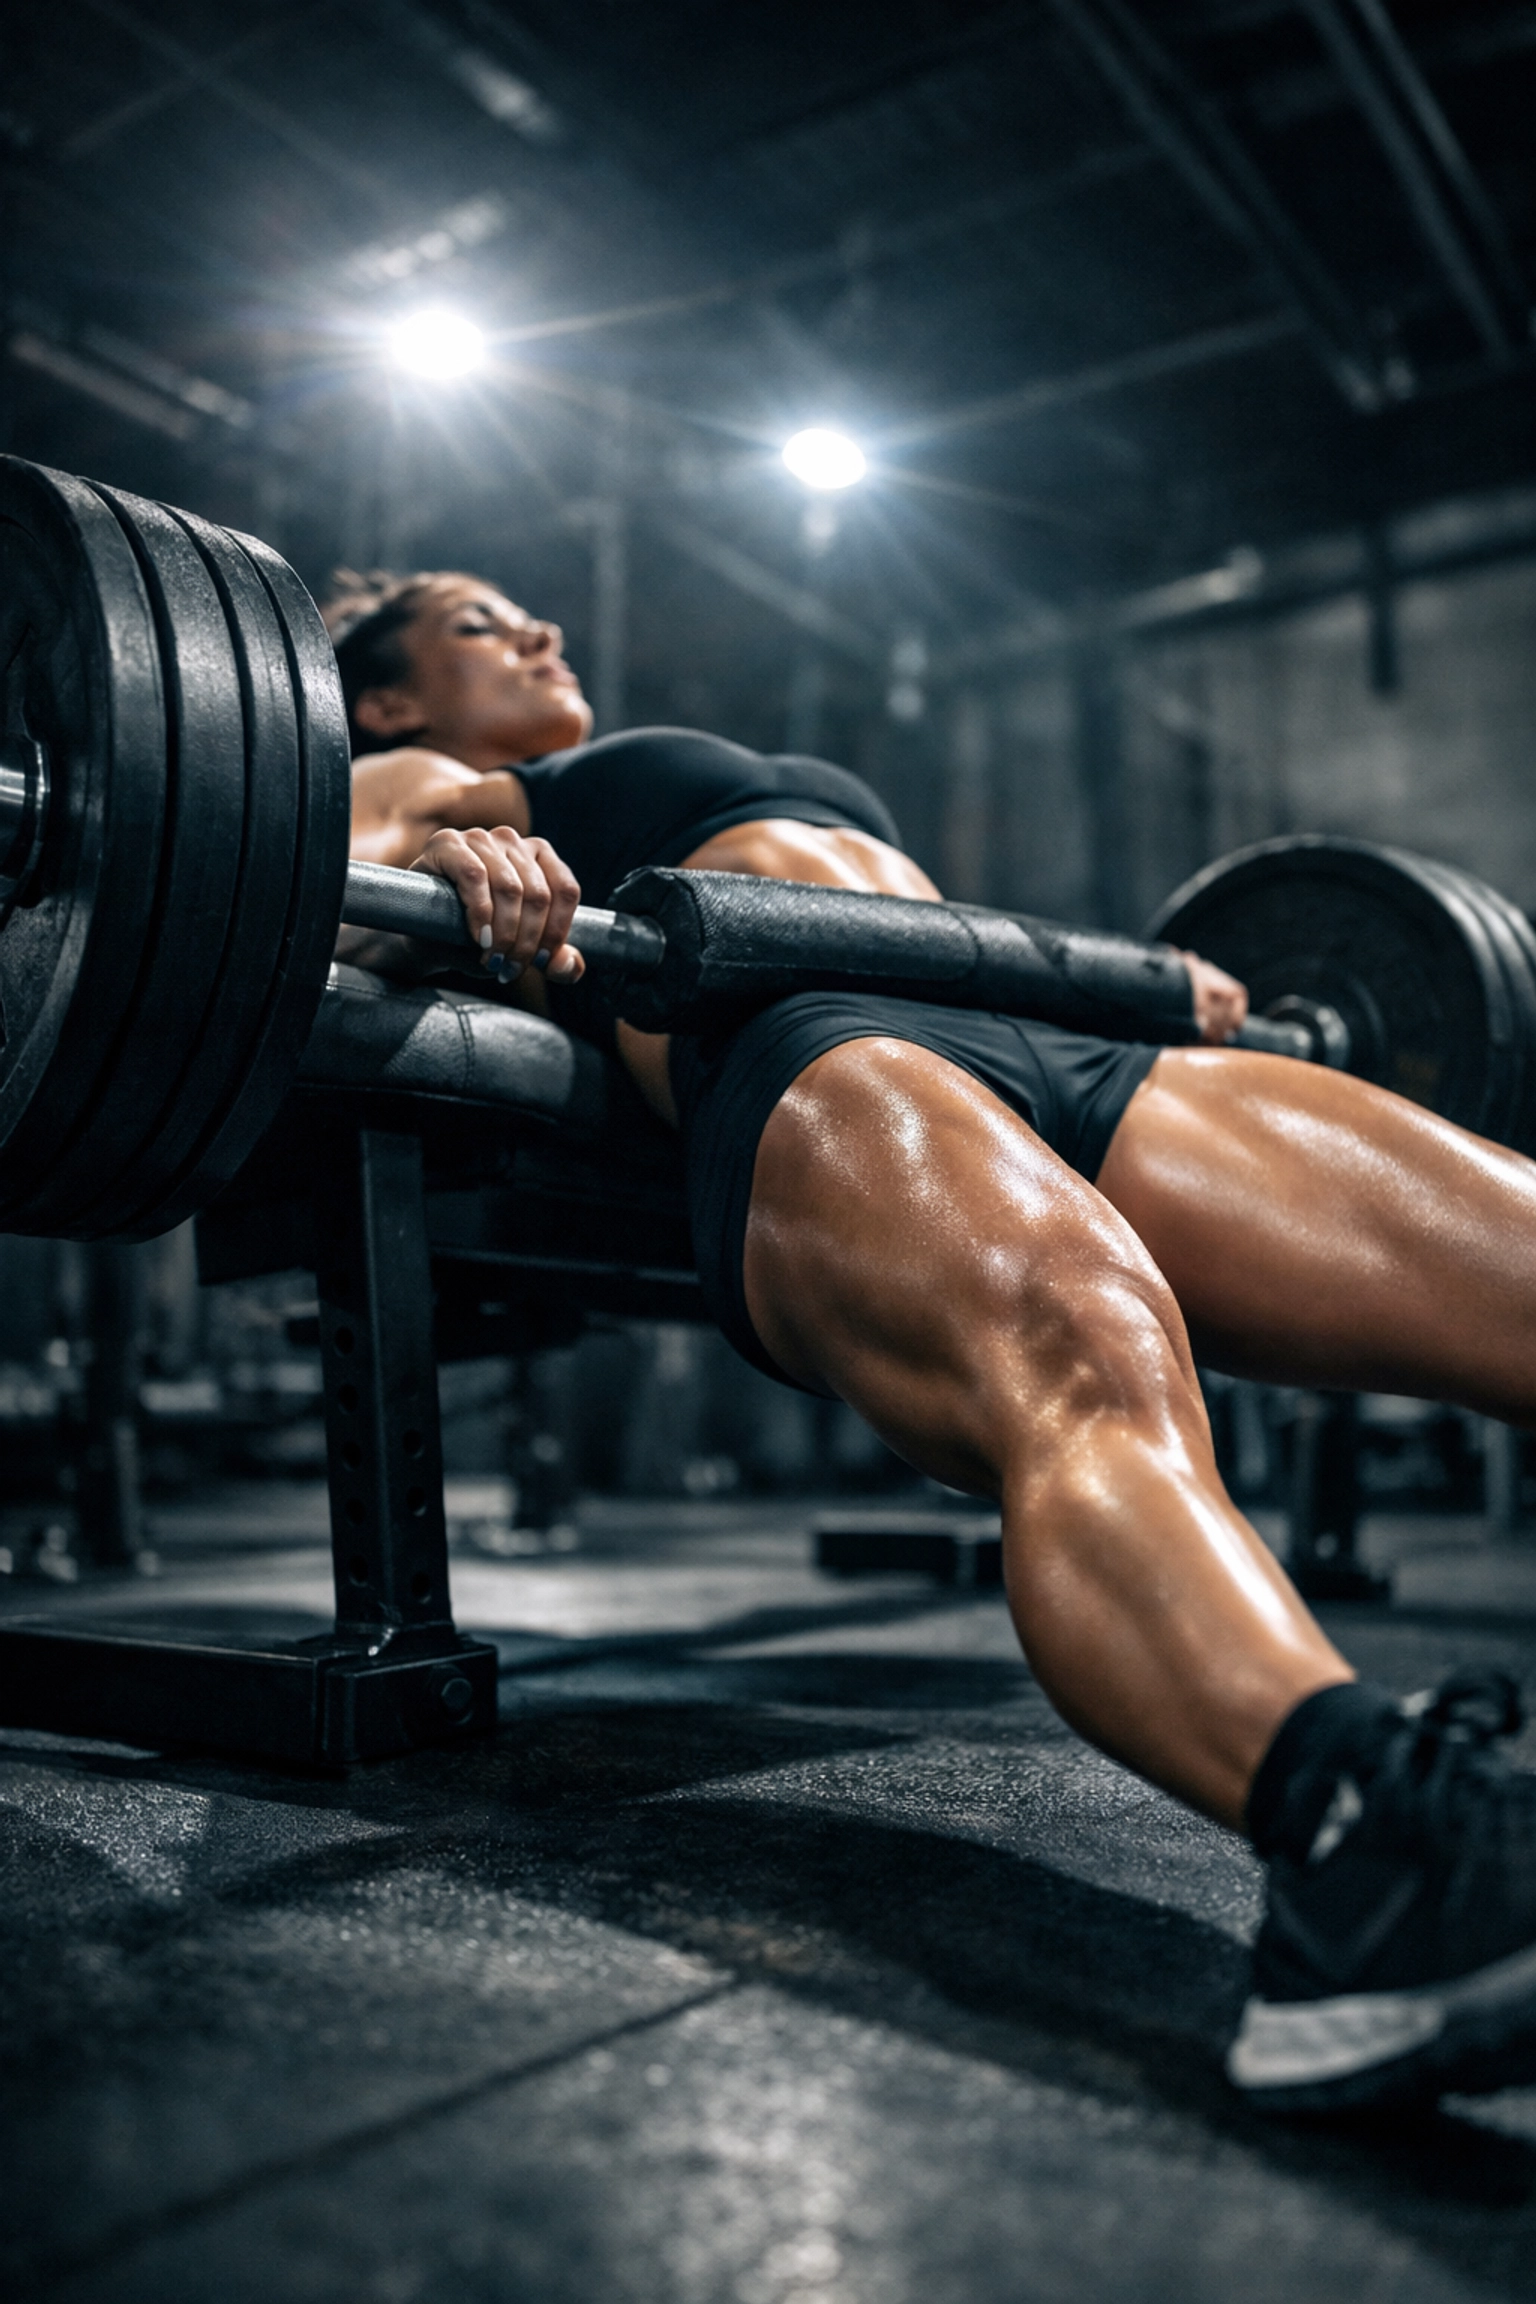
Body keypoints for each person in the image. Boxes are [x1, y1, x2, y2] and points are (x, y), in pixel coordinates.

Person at [327, 566, 1536, 2114]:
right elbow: (294, 893)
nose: (540, 631)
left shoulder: (654, 767)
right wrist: (451, 874)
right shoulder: (428, 777)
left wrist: (1148, 978)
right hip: (812, 1043)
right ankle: (1365, 1846)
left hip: (1062, 1035)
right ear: (389, 700)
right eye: (480, 626)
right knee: (1088, 1355)